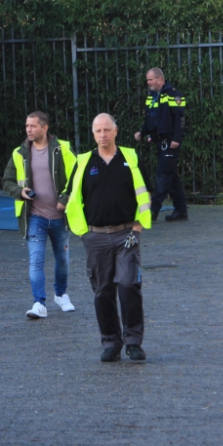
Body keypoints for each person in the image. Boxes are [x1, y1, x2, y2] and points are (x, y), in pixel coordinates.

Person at [66, 113, 152, 362]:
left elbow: (145, 194)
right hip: (96, 237)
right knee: (103, 291)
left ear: (116, 131)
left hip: (127, 233)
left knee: (128, 285)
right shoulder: (83, 162)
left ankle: (133, 341)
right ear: (93, 134)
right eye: (98, 131)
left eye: (107, 130)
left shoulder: (131, 158)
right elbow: (72, 199)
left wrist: (137, 228)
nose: (102, 135)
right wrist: (83, 233)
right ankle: (111, 342)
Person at [1, 111, 77, 319]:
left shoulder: (63, 149)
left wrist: (65, 197)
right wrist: (20, 192)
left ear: (45, 127)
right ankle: (39, 303)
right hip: (34, 217)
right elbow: (6, 181)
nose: (29, 130)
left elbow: (76, 177)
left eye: (33, 126)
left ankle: (61, 294)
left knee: (63, 260)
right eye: (27, 126)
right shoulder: (20, 153)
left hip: (61, 217)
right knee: (36, 261)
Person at [135, 68, 188, 222]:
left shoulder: (173, 95)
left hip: (171, 141)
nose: (148, 82)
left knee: (163, 176)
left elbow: (180, 119)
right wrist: (144, 133)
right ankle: (181, 210)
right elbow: (151, 120)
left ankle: (152, 211)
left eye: (150, 79)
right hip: (160, 142)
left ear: (159, 79)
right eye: (148, 80)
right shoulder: (152, 97)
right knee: (171, 177)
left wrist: (177, 138)